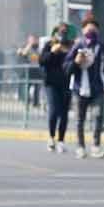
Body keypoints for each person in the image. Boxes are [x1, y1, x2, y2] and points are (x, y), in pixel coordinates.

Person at [64, 18, 104, 159]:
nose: (91, 32)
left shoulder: (101, 47)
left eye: (94, 29)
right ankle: (80, 147)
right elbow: (66, 68)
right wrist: (76, 62)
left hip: (97, 89)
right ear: (83, 30)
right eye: (88, 29)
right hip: (80, 89)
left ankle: (96, 146)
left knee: (98, 117)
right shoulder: (77, 46)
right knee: (80, 119)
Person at [39, 23, 72, 153]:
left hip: (66, 83)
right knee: (53, 111)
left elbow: (73, 64)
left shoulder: (70, 46)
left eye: (65, 32)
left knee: (64, 113)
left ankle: (61, 140)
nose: (62, 34)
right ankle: (51, 137)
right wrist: (52, 52)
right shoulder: (49, 45)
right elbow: (42, 61)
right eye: (60, 31)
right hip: (51, 83)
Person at [17, 35, 42, 107]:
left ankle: (36, 103)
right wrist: (29, 45)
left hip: (36, 70)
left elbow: (40, 57)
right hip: (27, 71)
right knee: (26, 87)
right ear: (28, 40)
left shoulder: (38, 48)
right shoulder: (25, 46)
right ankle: (26, 102)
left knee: (37, 87)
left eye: (36, 39)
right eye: (33, 39)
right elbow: (23, 53)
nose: (35, 41)